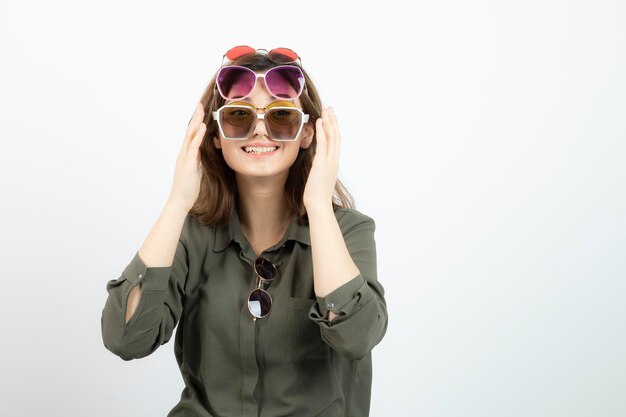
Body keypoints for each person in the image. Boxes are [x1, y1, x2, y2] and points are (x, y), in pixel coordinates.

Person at [101, 45, 388, 417]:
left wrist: (319, 207)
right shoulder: (191, 235)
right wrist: (177, 204)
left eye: (281, 116)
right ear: (216, 136)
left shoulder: (348, 231)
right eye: (239, 115)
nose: (259, 130)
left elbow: (357, 336)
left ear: (306, 134)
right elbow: (125, 338)